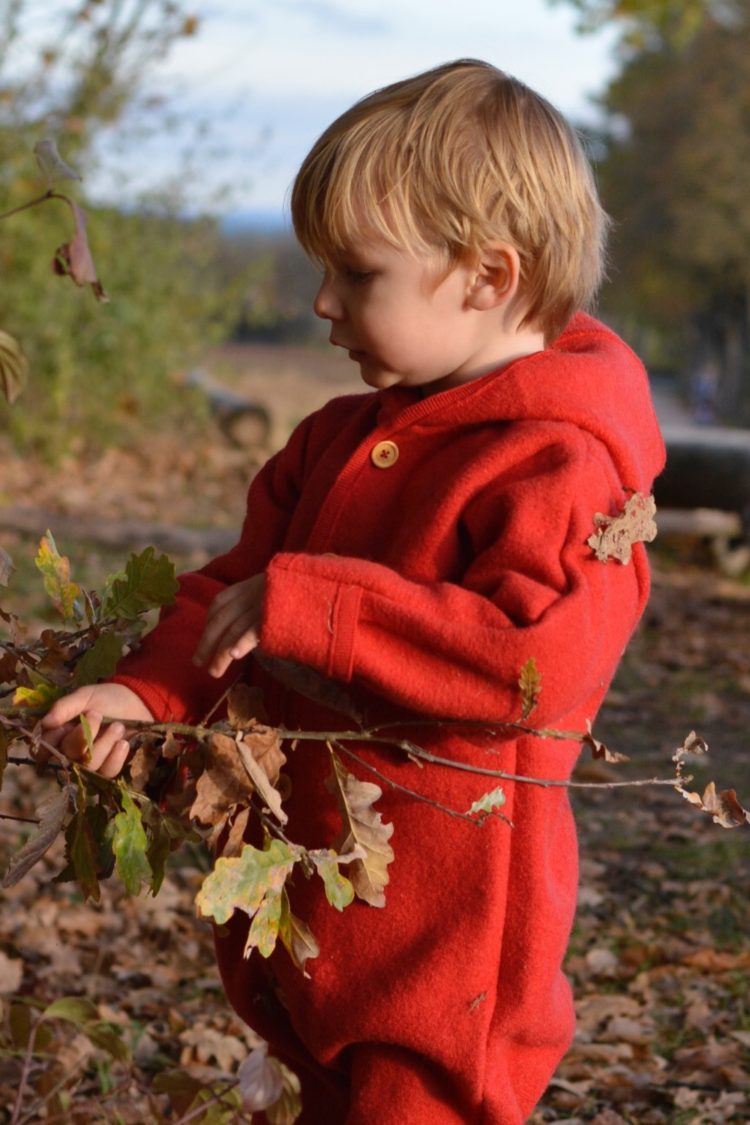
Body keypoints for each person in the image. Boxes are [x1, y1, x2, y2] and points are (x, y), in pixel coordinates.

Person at [42, 59, 665, 1124]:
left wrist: (326, 610)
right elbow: (237, 589)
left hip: (444, 953)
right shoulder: (337, 440)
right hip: (312, 897)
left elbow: (533, 663)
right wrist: (146, 694)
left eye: (357, 272)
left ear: (488, 274)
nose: (322, 301)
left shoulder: (559, 467)